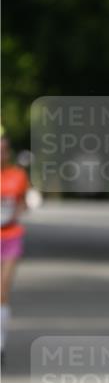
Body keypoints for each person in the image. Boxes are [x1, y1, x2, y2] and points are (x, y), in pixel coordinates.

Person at [0, 136, 30, 364]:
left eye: (4, 150)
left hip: (11, 236)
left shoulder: (18, 176)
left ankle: (0, 343)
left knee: (2, 291)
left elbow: (23, 203)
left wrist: (17, 212)